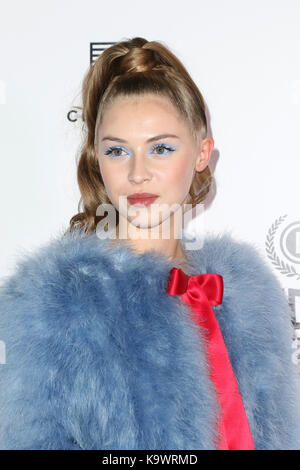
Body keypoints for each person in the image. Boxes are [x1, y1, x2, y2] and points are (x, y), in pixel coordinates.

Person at [0, 36, 300, 450]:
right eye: (118, 150)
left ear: (201, 153)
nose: (138, 172)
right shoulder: (54, 302)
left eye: (160, 148)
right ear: (97, 159)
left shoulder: (250, 294)